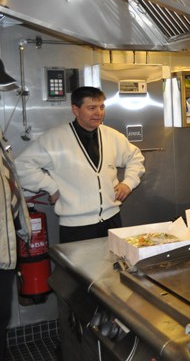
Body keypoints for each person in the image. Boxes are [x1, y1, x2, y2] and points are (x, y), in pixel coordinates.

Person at [15, 86, 145, 243]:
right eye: (91, 108)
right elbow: (21, 166)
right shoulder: (55, 139)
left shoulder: (112, 135)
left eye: (101, 107)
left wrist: (128, 183)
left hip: (112, 220)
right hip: (76, 228)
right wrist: (51, 187)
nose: (98, 113)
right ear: (75, 110)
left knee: (115, 259)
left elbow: (135, 157)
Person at [0, 131, 31, 359]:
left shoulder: (1, 140)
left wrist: (22, 224)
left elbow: (11, 186)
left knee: (2, 313)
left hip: (5, 245)